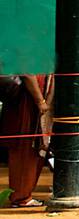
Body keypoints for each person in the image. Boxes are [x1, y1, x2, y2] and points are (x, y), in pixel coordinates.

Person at [0, 73, 53, 207]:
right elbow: (27, 72)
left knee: (36, 146)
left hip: (38, 96)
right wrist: (40, 101)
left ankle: (24, 194)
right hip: (27, 99)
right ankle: (21, 196)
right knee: (25, 146)